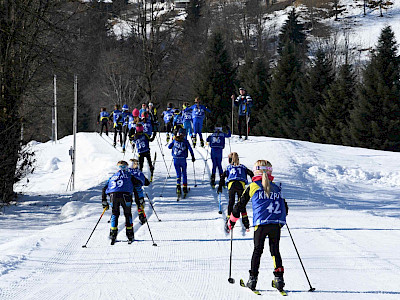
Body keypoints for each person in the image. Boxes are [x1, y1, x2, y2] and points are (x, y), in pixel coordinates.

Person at [226, 160, 288, 292]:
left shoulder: (253, 186)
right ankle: (279, 280)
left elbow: (239, 205)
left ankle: (252, 280)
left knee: (257, 251)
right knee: (275, 251)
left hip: (260, 224)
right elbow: (285, 208)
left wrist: (231, 221)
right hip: (276, 224)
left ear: (255, 171)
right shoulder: (276, 187)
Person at [102, 160, 146, 244]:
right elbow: (138, 186)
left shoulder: (113, 176)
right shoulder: (130, 175)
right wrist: (140, 200)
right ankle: (129, 234)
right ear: (127, 167)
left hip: (113, 196)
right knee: (127, 214)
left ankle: (113, 233)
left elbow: (104, 188)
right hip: (125, 196)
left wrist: (104, 201)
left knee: (115, 214)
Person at [218, 152, 253, 230]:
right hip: (241, 184)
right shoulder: (243, 167)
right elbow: (251, 173)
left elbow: (222, 177)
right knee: (242, 203)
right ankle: (245, 221)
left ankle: (229, 219)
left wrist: (220, 187)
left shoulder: (228, 167)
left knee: (231, 202)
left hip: (232, 184)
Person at [168, 128, 195, 199]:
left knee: (178, 173)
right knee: (184, 173)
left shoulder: (175, 140)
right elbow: (190, 149)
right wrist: (193, 156)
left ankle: (178, 186)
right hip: (183, 159)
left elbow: (169, 147)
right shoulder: (185, 141)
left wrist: (173, 141)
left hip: (176, 159)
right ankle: (185, 187)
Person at [129, 158, 151, 224]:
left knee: (129, 205)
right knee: (139, 203)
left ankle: (130, 218)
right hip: (138, 191)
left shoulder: (127, 172)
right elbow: (146, 182)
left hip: (129, 190)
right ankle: (142, 217)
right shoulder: (138, 172)